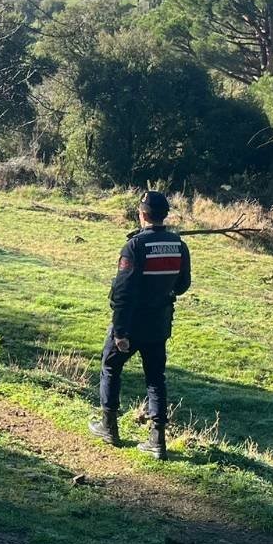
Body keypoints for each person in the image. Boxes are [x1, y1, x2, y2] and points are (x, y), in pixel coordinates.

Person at [92, 190, 191, 459]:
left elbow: (122, 293)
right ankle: (157, 441)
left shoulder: (134, 246)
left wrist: (120, 332)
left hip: (132, 323)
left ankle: (108, 427)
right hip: (159, 324)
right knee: (156, 379)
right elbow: (182, 285)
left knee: (110, 367)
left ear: (142, 214)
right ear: (164, 215)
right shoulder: (179, 245)